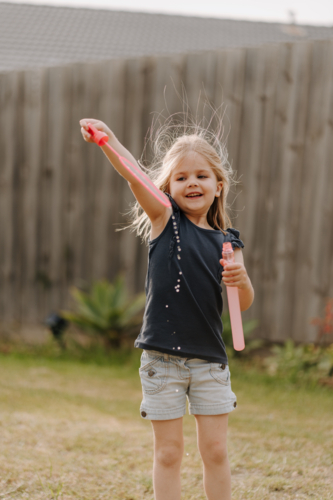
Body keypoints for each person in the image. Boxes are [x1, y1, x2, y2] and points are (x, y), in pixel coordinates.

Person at [80, 116, 254, 500]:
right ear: (168, 188)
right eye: (181, 177)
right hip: (162, 362)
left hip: (209, 362)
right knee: (169, 452)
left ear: (219, 185)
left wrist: (242, 282)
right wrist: (107, 140)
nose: (192, 182)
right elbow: (135, 175)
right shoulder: (165, 220)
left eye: (202, 175)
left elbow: (238, 307)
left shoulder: (229, 241)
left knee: (216, 451)